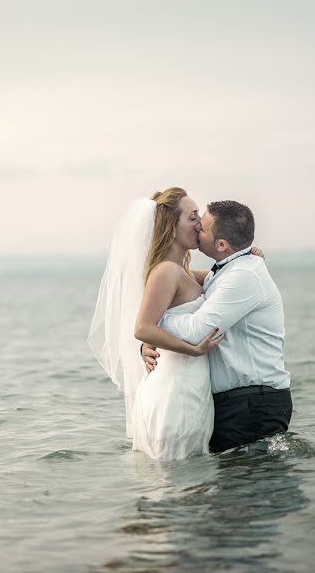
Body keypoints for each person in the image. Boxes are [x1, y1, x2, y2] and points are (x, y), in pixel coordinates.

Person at [141, 200, 292, 453]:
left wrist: (155, 323)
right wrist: (149, 337)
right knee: (230, 488)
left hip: (252, 403)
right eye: (195, 220)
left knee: (249, 487)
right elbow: (184, 280)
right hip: (238, 402)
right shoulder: (223, 271)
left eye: (203, 227)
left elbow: (197, 331)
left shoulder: (243, 275)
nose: (198, 226)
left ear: (222, 245)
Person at [88, 188, 223, 460]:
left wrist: (249, 253)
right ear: (171, 228)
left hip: (188, 387)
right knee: (172, 484)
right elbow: (143, 328)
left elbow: (220, 276)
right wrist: (193, 349)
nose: (201, 223)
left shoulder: (180, 271)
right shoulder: (165, 271)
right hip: (173, 391)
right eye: (193, 217)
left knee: (189, 489)